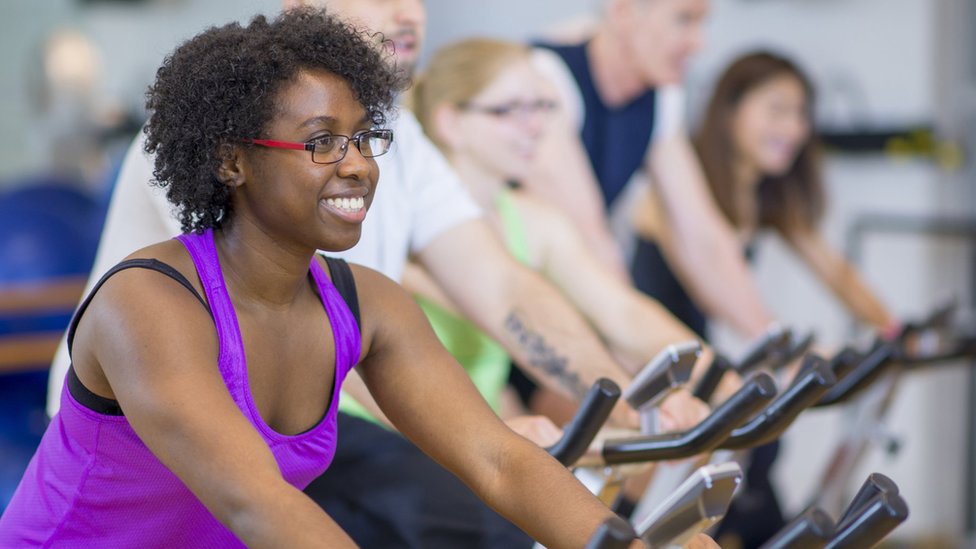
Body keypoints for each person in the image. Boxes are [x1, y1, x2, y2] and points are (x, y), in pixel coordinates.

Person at [0, 10, 636, 548]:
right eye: (322, 143)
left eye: (364, 139)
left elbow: (499, 462)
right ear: (232, 160)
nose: (357, 165)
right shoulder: (148, 303)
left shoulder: (368, 305)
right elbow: (258, 503)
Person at [528, 0, 776, 339]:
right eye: (683, 20)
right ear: (623, 12)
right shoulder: (544, 80)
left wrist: (774, 341)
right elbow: (589, 239)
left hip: (576, 305)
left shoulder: (660, 95)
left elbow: (703, 238)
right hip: (517, 308)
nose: (699, 43)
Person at [691, 51, 896, 332]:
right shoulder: (685, 185)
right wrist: (776, 347)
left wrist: (893, 329)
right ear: (730, 110)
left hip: (697, 358)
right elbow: (719, 279)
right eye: (777, 110)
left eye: (801, 114)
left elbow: (836, 273)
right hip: (651, 358)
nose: (794, 129)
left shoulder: (766, 195)